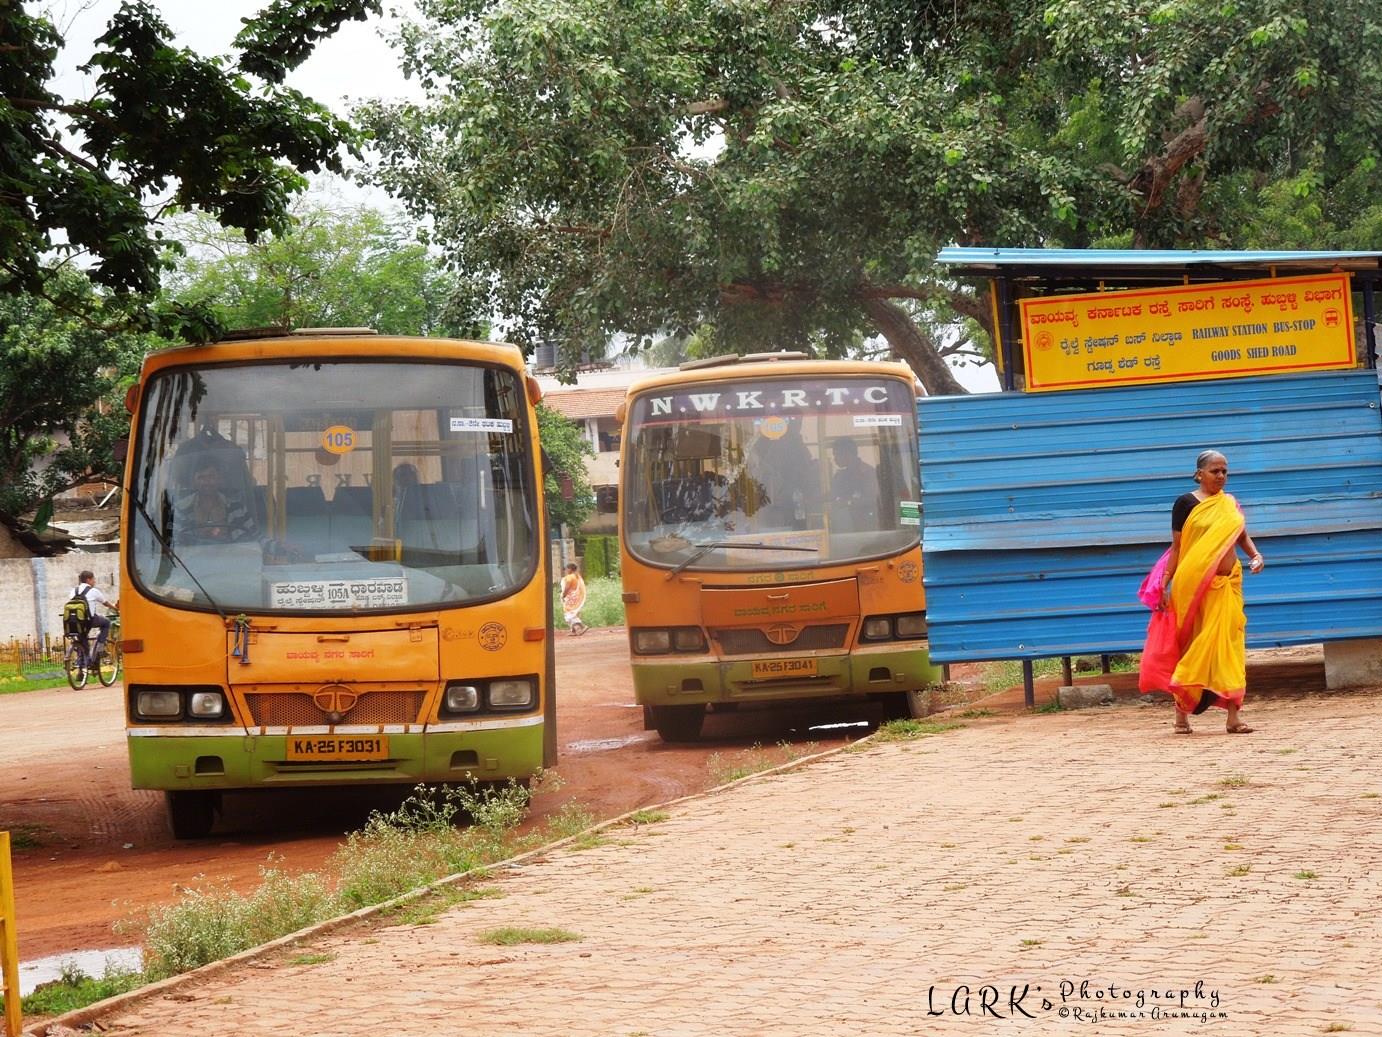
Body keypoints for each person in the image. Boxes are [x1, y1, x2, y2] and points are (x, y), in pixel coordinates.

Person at [1157, 450, 1265, 735]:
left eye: (1225, 471)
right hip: (1195, 588)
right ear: (1199, 474)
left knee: (1229, 646)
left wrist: (1255, 555)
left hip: (1227, 584)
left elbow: (1240, 533)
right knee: (1196, 647)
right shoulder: (1186, 503)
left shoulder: (1229, 503)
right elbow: (1178, 548)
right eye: (1215, 471)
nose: (1221, 476)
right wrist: (1164, 583)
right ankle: (1181, 716)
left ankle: (1233, 718)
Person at [174, 458, 256, 544]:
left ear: (220, 479)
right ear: (194, 481)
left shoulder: (237, 508)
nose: (206, 482)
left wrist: (271, 547)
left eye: (211, 476)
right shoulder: (179, 510)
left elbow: (255, 536)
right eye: (201, 477)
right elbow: (172, 543)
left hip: (232, 556)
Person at [71, 570, 117, 670]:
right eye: (93, 579)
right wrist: (116, 608)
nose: (94, 581)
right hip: (89, 620)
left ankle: (81, 665)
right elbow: (105, 603)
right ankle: (100, 647)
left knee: (82, 640)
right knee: (106, 623)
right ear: (88, 579)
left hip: (75, 621)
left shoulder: (73, 591)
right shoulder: (93, 591)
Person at [829, 437, 877, 530]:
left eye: (836, 455)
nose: (834, 459)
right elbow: (832, 495)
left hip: (868, 526)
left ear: (848, 454)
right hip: (846, 526)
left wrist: (848, 502)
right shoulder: (841, 475)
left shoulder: (867, 473)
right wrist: (813, 500)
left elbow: (873, 499)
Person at [561, 562, 588, 635]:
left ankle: (582, 626)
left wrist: (563, 595)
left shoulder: (570, 577)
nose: (566, 570)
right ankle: (574, 631)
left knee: (569, 614)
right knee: (570, 613)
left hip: (571, 598)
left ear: (570, 569)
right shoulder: (577, 576)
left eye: (567, 569)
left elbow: (567, 587)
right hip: (574, 597)